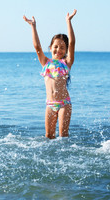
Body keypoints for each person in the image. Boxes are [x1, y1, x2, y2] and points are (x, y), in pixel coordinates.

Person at [23, 10, 77, 139]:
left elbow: (72, 43)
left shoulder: (67, 63)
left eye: (62, 48)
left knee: (63, 135)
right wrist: (33, 27)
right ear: (51, 47)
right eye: (56, 46)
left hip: (64, 103)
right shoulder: (45, 62)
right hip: (50, 104)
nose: (58, 50)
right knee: (49, 136)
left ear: (66, 51)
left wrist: (68, 22)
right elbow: (37, 46)